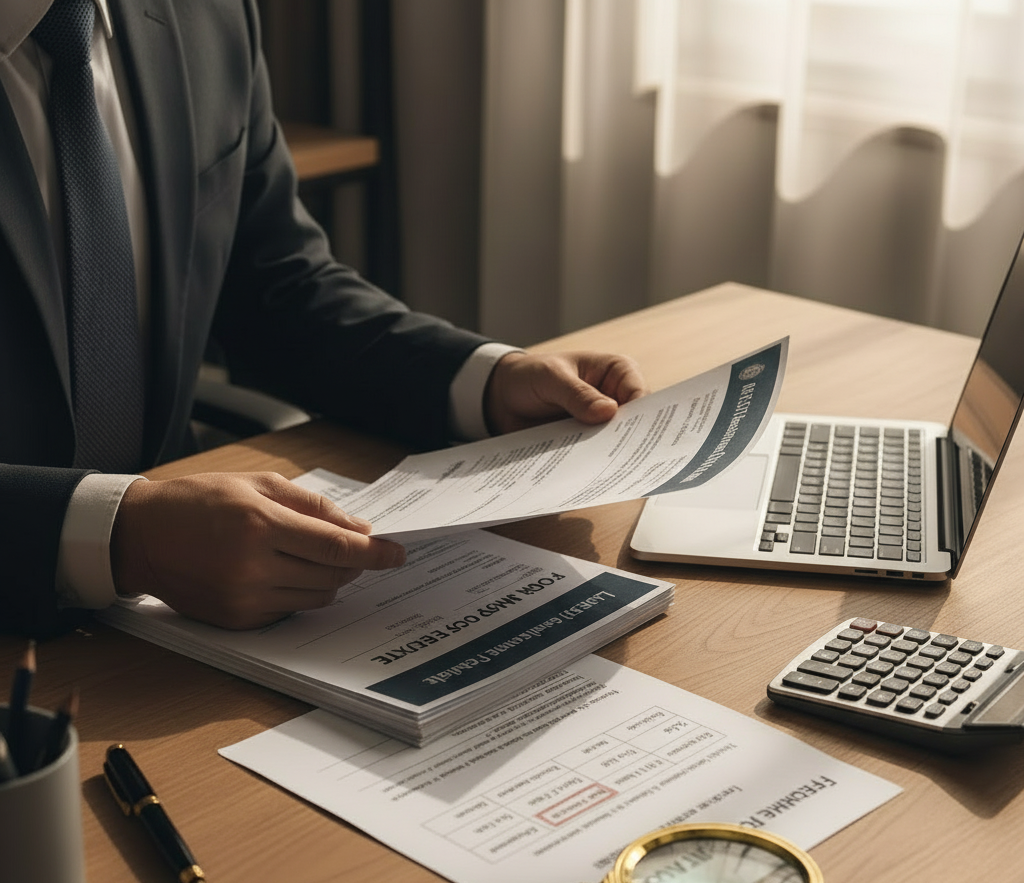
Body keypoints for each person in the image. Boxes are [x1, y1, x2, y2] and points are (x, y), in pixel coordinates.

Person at [0, 0, 647, 638]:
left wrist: (483, 380)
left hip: (188, 615)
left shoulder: (207, 14)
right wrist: (117, 537)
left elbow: (278, 286)